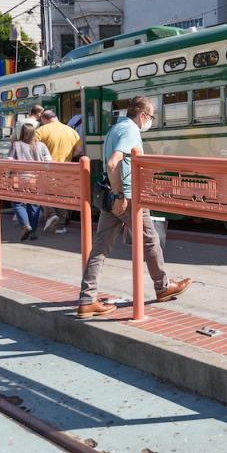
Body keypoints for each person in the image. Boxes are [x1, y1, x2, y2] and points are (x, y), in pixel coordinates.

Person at [76, 95, 191, 318]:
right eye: (150, 117)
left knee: (100, 249)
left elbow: (110, 163)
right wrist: (121, 195)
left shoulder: (114, 128)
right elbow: (113, 162)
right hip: (127, 197)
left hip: (112, 197)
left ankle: (86, 300)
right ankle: (163, 286)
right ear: (142, 115)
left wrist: (115, 194)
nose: (149, 121)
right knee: (150, 240)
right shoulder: (130, 130)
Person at [36, 109, 82, 234]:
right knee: (63, 196)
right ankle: (60, 225)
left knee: (42, 194)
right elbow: (78, 150)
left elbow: (33, 149)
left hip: (47, 169)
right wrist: (68, 156)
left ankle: (51, 215)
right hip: (65, 169)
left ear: (44, 119)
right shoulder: (71, 131)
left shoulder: (41, 131)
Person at [7, 123, 52, 241]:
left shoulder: (15, 145)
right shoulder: (41, 145)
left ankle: (25, 225)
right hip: (36, 178)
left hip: (19, 178)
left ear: (21, 133)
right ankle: (33, 232)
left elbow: (10, 161)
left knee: (17, 203)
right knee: (34, 205)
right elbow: (48, 162)